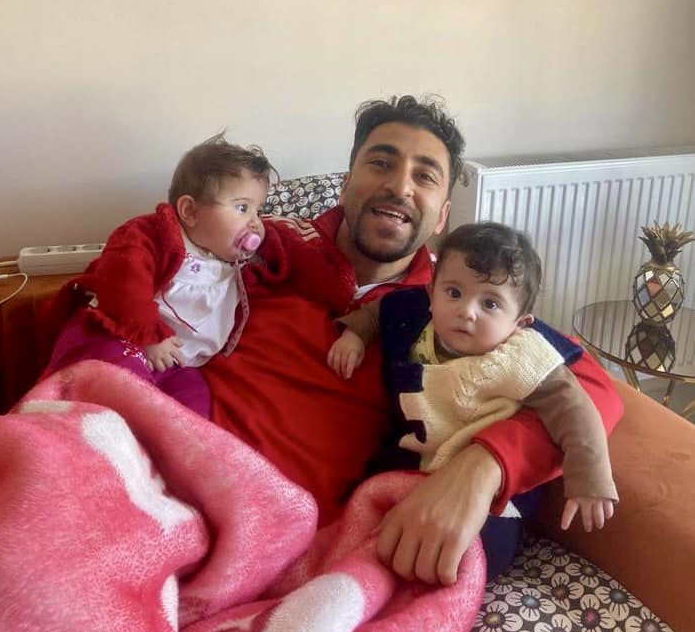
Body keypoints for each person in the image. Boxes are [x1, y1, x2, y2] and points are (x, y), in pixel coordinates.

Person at [202, 95, 623, 584]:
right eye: (381, 163)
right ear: (345, 184)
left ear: (441, 216)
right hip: (180, 458)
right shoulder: (263, 242)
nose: (400, 186)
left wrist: (484, 463)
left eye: (424, 176)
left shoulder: (450, 302)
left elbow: (595, 389)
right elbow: (152, 272)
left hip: (281, 532)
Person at [327, 220, 618, 539]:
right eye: (453, 293)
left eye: (490, 303)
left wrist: (590, 477)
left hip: (488, 497)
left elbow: (574, 409)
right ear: (431, 293)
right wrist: (355, 335)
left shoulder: (523, 354)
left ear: (520, 324)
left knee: (480, 543)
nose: (466, 311)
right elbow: (379, 310)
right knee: (361, 514)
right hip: (408, 463)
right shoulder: (412, 313)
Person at [44, 133, 274, 418]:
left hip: (178, 364)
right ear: (190, 211)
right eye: (242, 208)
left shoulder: (233, 259)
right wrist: (149, 336)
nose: (255, 222)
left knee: (194, 406)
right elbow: (124, 281)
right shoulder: (153, 236)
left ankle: (174, 440)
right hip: (122, 336)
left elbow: (287, 257)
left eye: (259, 210)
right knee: (116, 386)